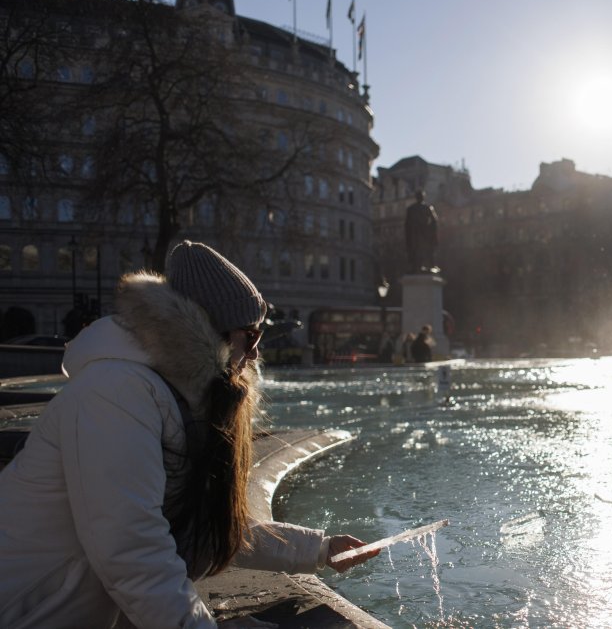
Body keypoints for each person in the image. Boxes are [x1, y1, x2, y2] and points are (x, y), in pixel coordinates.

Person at [0, 241, 380, 628]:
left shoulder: (171, 393)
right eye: (251, 336)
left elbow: (210, 523)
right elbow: (132, 550)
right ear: (208, 331)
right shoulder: (115, 391)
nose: (255, 355)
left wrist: (319, 548)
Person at [404, 190, 439, 273]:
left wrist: (408, 235)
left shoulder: (410, 209)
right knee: (427, 249)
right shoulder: (428, 208)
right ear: (423, 197)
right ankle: (428, 265)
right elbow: (434, 221)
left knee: (416, 250)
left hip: (414, 234)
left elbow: (406, 224)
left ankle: (416, 266)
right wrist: (431, 231)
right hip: (424, 233)